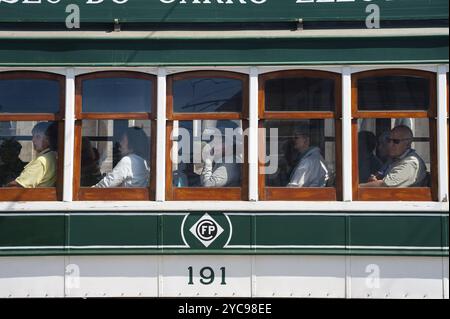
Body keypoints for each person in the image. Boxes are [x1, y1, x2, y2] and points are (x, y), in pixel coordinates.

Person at [360, 125, 427, 188]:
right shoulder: (394, 159)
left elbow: (384, 185)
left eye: (396, 141)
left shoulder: (410, 163)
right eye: (389, 140)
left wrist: (357, 187)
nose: (390, 144)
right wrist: (374, 178)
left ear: (408, 144)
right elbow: (379, 176)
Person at [7, 122, 58, 188]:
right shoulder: (51, 155)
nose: (33, 140)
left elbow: (17, 187)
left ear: (48, 139)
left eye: (37, 137)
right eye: (33, 136)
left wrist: (5, 186)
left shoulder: (41, 161)